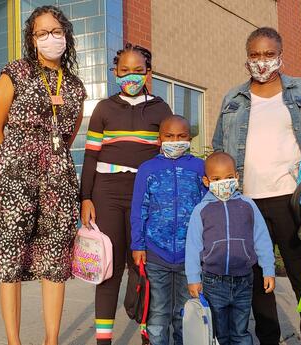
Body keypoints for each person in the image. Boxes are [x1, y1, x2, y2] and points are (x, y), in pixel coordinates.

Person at [0, 6, 87, 345]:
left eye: (56, 31)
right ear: (31, 39)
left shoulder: (76, 87)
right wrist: (7, 166)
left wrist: (50, 165)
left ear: (66, 35)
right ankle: (14, 341)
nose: (50, 38)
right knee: (12, 258)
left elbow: (66, 137)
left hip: (58, 182)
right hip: (14, 180)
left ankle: (52, 340)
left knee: (54, 259)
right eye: (42, 33)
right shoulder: (16, 72)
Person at [212, 27, 301, 345]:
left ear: (280, 56)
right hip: (246, 202)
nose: (261, 62)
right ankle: (268, 339)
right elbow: (219, 148)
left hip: (291, 200)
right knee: (256, 279)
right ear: (246, 58)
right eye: (254, 55)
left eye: (268, 54)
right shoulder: (232, 98)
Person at [80, 43, 173, 345]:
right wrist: (86, 198)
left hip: (146, 197)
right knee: (109, 268)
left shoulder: (161, 109)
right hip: (107, 194)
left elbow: (169, 155)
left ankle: (148, 334)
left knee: (143, 266)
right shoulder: (104, 108)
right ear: (115, 73)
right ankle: (103, 341)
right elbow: (91, 157)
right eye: (124, 71)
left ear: (148, 73)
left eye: (137, 71)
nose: (130, 77)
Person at [130, 115, 206, 345]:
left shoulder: (199, 167)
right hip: (156, 254)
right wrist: (138, 244)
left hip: (190, 257)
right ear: (159, 138)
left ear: (190, 139)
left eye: (181, 136)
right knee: (158, 314)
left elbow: (207, 208)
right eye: (169, 136)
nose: (175, 140)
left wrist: (206, 246)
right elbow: (138, 208)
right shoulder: (147, 169)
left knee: (185, 313)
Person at [185, 152, 275, 345]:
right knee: (219, 334)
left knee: (240, 332)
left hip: (244, 280)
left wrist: (268, 269)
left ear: (236, 177)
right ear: (206, 181)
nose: (223, 183)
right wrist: (193, 278)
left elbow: (262, 239)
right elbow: (193, 246)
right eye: (216, 179)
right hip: (213, 281)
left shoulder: (248, 205)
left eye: (228, 178)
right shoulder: (201, 210)